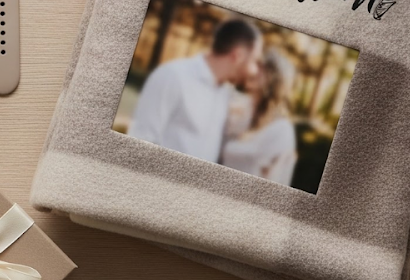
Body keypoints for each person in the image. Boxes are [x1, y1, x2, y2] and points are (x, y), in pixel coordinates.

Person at [127, 17, 260, 163]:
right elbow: (140, 141)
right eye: (254, 61)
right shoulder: (172, 76)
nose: (254, 71)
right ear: (237, 56)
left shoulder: (225, 93)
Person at [220, 48, 299, 185]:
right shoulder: (239, 109)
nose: (252, 70)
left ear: (274, 78)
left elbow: (277, 184)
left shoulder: (281, 130)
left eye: (260, 67)